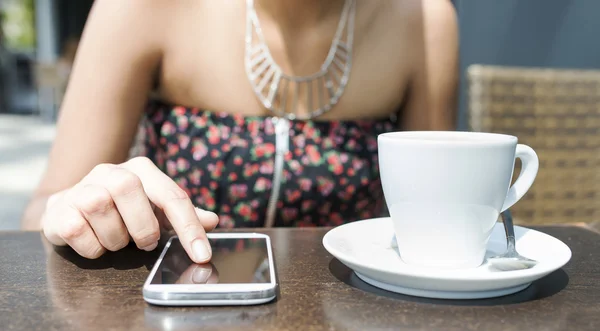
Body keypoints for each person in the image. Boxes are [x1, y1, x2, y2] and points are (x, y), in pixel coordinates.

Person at [22, 0, 459, 264]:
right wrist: (75, 209)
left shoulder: (424, 22)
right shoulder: (143, 8)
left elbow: (436, 222)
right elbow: (43, 210)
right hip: (173, 328)